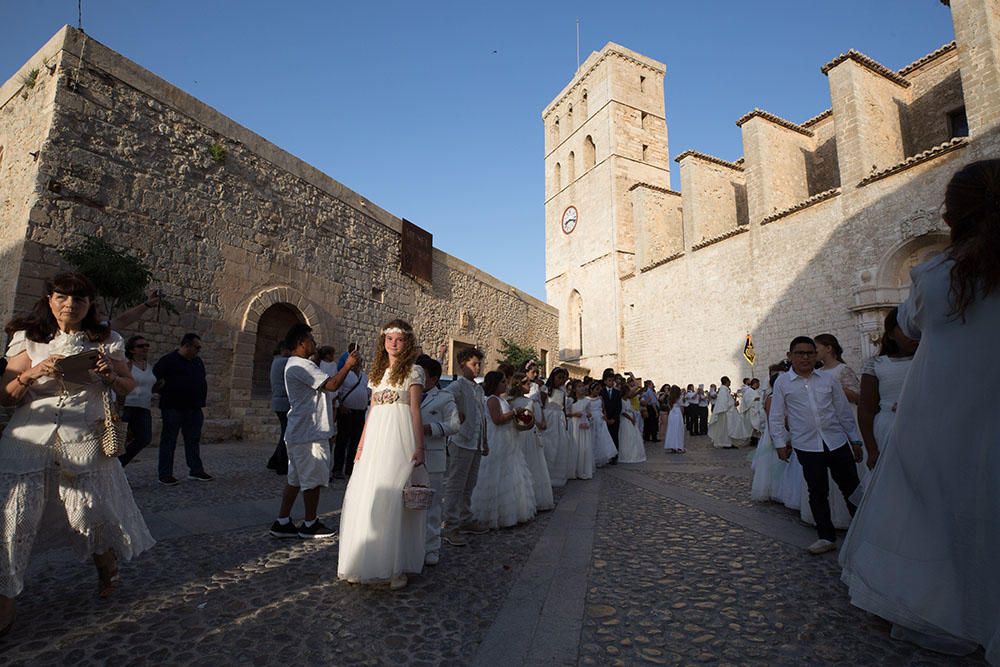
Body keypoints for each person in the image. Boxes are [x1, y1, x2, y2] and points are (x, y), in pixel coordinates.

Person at [840, 160, 1000, 661]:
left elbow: (906, 326)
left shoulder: (936, 273)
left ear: (954, 216)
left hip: (947, 415)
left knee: (948, 515)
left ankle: (961, 610)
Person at [0, 273, 155, 633]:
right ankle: (5, 600)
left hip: (82, 436)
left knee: (86, 514)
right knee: (13, 520)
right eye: (63, 297)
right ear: (49, 299)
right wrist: (33, 373)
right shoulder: (28, 338)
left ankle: (105, 561)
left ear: (90, 304)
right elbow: (6, 395)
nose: (70, 304)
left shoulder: (106, 339)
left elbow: (128, 386)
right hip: (27, 439)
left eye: (80, 298)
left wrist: (108, 376)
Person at [338, 319, 426, 589]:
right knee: (367, 493)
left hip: (400, 436)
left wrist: (419, 446)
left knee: (394, 494)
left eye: (399, 339)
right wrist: (362, 445)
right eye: (389, 339)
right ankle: (366, 562)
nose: (394, 344)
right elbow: (372, 411)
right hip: (376, 436)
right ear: (383, 342)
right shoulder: (377, 374)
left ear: (407, 342)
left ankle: (393, 564)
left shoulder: (414, 372)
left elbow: (415, 411)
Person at [770, 336, 862, 555]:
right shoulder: (783, 383)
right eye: (800, 353)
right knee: (817, 491)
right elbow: (776, 415)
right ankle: (826, 536)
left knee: (852, 487)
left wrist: (855, 439)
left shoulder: (828, 380)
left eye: (810, 353)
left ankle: (863, 530)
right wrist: (780, 443)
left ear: (816, 356)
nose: (805, 357)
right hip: (807, 445)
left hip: (836, 441)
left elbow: (843, 411)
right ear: (790, 356)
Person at [269, 325, 357, 540]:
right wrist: (347, 366)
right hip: (309, 433)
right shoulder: (301, 366)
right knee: (313, 480)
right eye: (311, 340)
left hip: (301, 431)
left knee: (295, 480)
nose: (314, 344)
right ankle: (310, 523)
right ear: (301, 343)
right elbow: (333, 385)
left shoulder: (299, 365)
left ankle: (282, 521)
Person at [470, 371, 536, 529]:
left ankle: (514, 511)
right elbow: (497, 419)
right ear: (494, 384)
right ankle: (494, 513)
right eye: (502, 382)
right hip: (497, 439)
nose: (505, 384)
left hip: (507, 439)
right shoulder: (492, 399)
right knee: (497, 473)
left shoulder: (501, 399)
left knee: (511, 471)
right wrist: (514, 412)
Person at [857, 308, 918, 473]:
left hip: (926, 427)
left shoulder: (931, 359)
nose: (912, 334)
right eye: (905, 329)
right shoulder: (877, 364)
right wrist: (872, 449)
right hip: (889, 430)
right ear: (891, 334)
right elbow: (866, 410)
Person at [414, 355, 460, 566]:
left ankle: (431, 547)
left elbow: (454, 425)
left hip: (433, 455)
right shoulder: (409, 395)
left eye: (421, 374)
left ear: (432, 377)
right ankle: (411, 546)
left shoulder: (444, 397)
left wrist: (430, 429)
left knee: (432, 505)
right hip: (410, 455)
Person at [441, 346, 489, 546]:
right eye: (473, 364)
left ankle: (465, 517)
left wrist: (484, 440)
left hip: (475, 441)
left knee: (469, 484)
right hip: (461, 440)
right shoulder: (457, 386)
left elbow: (481, 416)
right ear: (462, 366)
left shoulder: (478, 388)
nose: (477, 368)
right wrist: (453, 415)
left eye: (479, 364)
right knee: (455, 485)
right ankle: (450, 525)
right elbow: (444, 399)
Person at [153, 333, 213, 485]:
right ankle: (165, 474)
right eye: (196, 347)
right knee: (169, 440)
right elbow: (155, 381)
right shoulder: (168, 361)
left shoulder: (197, 362)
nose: (198, 351)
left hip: (194, 408)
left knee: (193, 440)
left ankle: (196, 470)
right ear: (186, 345)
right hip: (173, 407)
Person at [508, 372, 554, 512]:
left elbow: (534, 419)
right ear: (519, 385)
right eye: (527, 383)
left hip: (530, 434)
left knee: (534, 463)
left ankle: (534, 498)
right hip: (520, 434)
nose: (530, 385)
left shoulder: (529, 401)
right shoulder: (513, 402)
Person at [119, 335, 157, 466]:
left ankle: (120, 463)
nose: (145, 348)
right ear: (132, 350)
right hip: (128, 406)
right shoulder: (127, 365)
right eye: (140, 346)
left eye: (147, 345)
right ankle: (117, 467)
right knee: (120, 440)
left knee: (145, 438)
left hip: (143, 407)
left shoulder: (149, 366)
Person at [750, 366, 785, 501]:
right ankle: (774, 489)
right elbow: (771, 418)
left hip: (781, 431)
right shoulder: (772, 397)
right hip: (775, 433)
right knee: (774, 463)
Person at [332, 350, 369, 479]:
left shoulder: (364, 376)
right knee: (342, 440)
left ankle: (351, 469)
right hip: (347, 411)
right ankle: (337, 469)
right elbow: (338, 392)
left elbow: (367, 390)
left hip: (360, 412)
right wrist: (341, 406)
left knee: (355, 441)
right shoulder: (345, 375)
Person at [538, 368, 570, 487]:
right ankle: (547, 476)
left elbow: (564, 408)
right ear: (553, 377)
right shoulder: (545, 389)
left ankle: (558, 476)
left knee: (560, 446)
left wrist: (565, 421)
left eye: (563, 378)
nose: (561, 381)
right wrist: (542, 419)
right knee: (549, 446)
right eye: (559, 378)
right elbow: (541, 406)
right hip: (549, 418)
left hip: (559, 420)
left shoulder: (562, 391)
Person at [266, 342, 291, 475]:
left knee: (284, 433)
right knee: (286, 435)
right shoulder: (284, 362)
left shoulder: (276, 361)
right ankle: (281, 465)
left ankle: (273, 461)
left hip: (279, 402)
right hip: (284, 403)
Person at [566, 380, 594, 479]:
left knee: (584, 447)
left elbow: (590, 413)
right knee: (575, 445)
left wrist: (587, 416)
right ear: (574, 389)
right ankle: (574, 470)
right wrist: (574, 414)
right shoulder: (570, 400)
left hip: (584, 424)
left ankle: (583, 470)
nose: (581, 388)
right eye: (579, 386)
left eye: (582, 386)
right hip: (574, 424)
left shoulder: (587, 401)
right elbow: (566, 413)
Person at [589, 381, 618, 466]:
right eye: (596, 389)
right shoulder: (587, 399)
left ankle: (602, 458)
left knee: (602, 439)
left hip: (600, 419)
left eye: (599, 390)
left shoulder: (600, 398)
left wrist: (606, 419)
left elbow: (603, 409)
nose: (598, 391)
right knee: (593, 438)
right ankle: (593, 458)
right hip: (592, 419)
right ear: (591, 390)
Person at [600, 368, 622, 464]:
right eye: (609, 380)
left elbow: (619, 407)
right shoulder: (601, 392)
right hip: (604, 418)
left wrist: (614, 418)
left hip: (614, 419)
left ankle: (614, 456)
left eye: (612, 381)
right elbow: (601, 406)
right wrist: (606, 418)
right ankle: (606, 455)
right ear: (605, 381)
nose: (611, 382)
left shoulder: (617, 393)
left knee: (614, 436)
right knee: (605, 437)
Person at [707, 377, 735, 448]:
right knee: (723, 429)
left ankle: (726, 442)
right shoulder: (723, 391)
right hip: (723, 413)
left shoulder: (724, 390)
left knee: (725, 428)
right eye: (729, 381)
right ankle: (724, 442)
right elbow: (724, 403)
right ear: (727, 382)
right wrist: (733, 404)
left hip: (725, 412)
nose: (730, 383)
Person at [662, 386, 685, 453]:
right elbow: (681, 407)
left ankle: (672, 446)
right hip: (678, 413)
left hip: (672, 413)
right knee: (678, 430)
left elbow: (669, 406)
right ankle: (678, 446)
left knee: (672, 430)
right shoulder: (679, 398)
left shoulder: (670, 398)